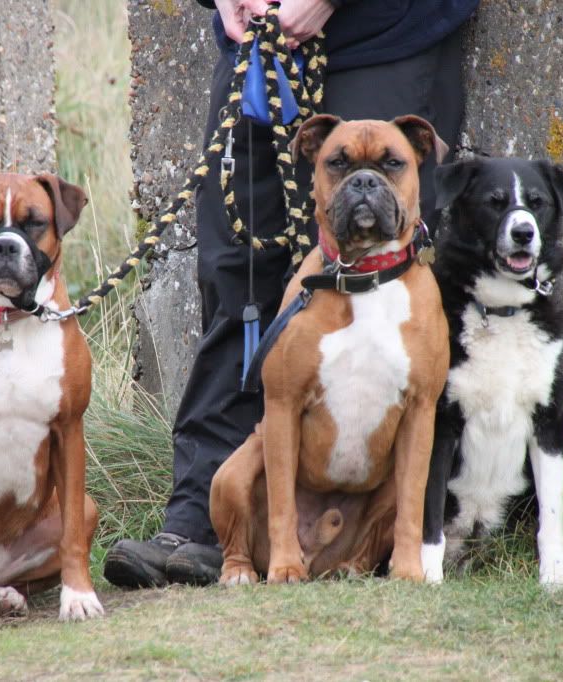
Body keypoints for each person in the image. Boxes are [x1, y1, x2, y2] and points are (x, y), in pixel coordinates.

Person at [104, 0, 479, 588]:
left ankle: (401, 544)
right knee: (236, 274)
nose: (367, 180)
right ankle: (205, 524)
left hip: (383, 33)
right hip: (256, 40)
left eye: (389, 167)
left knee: (384, 249)